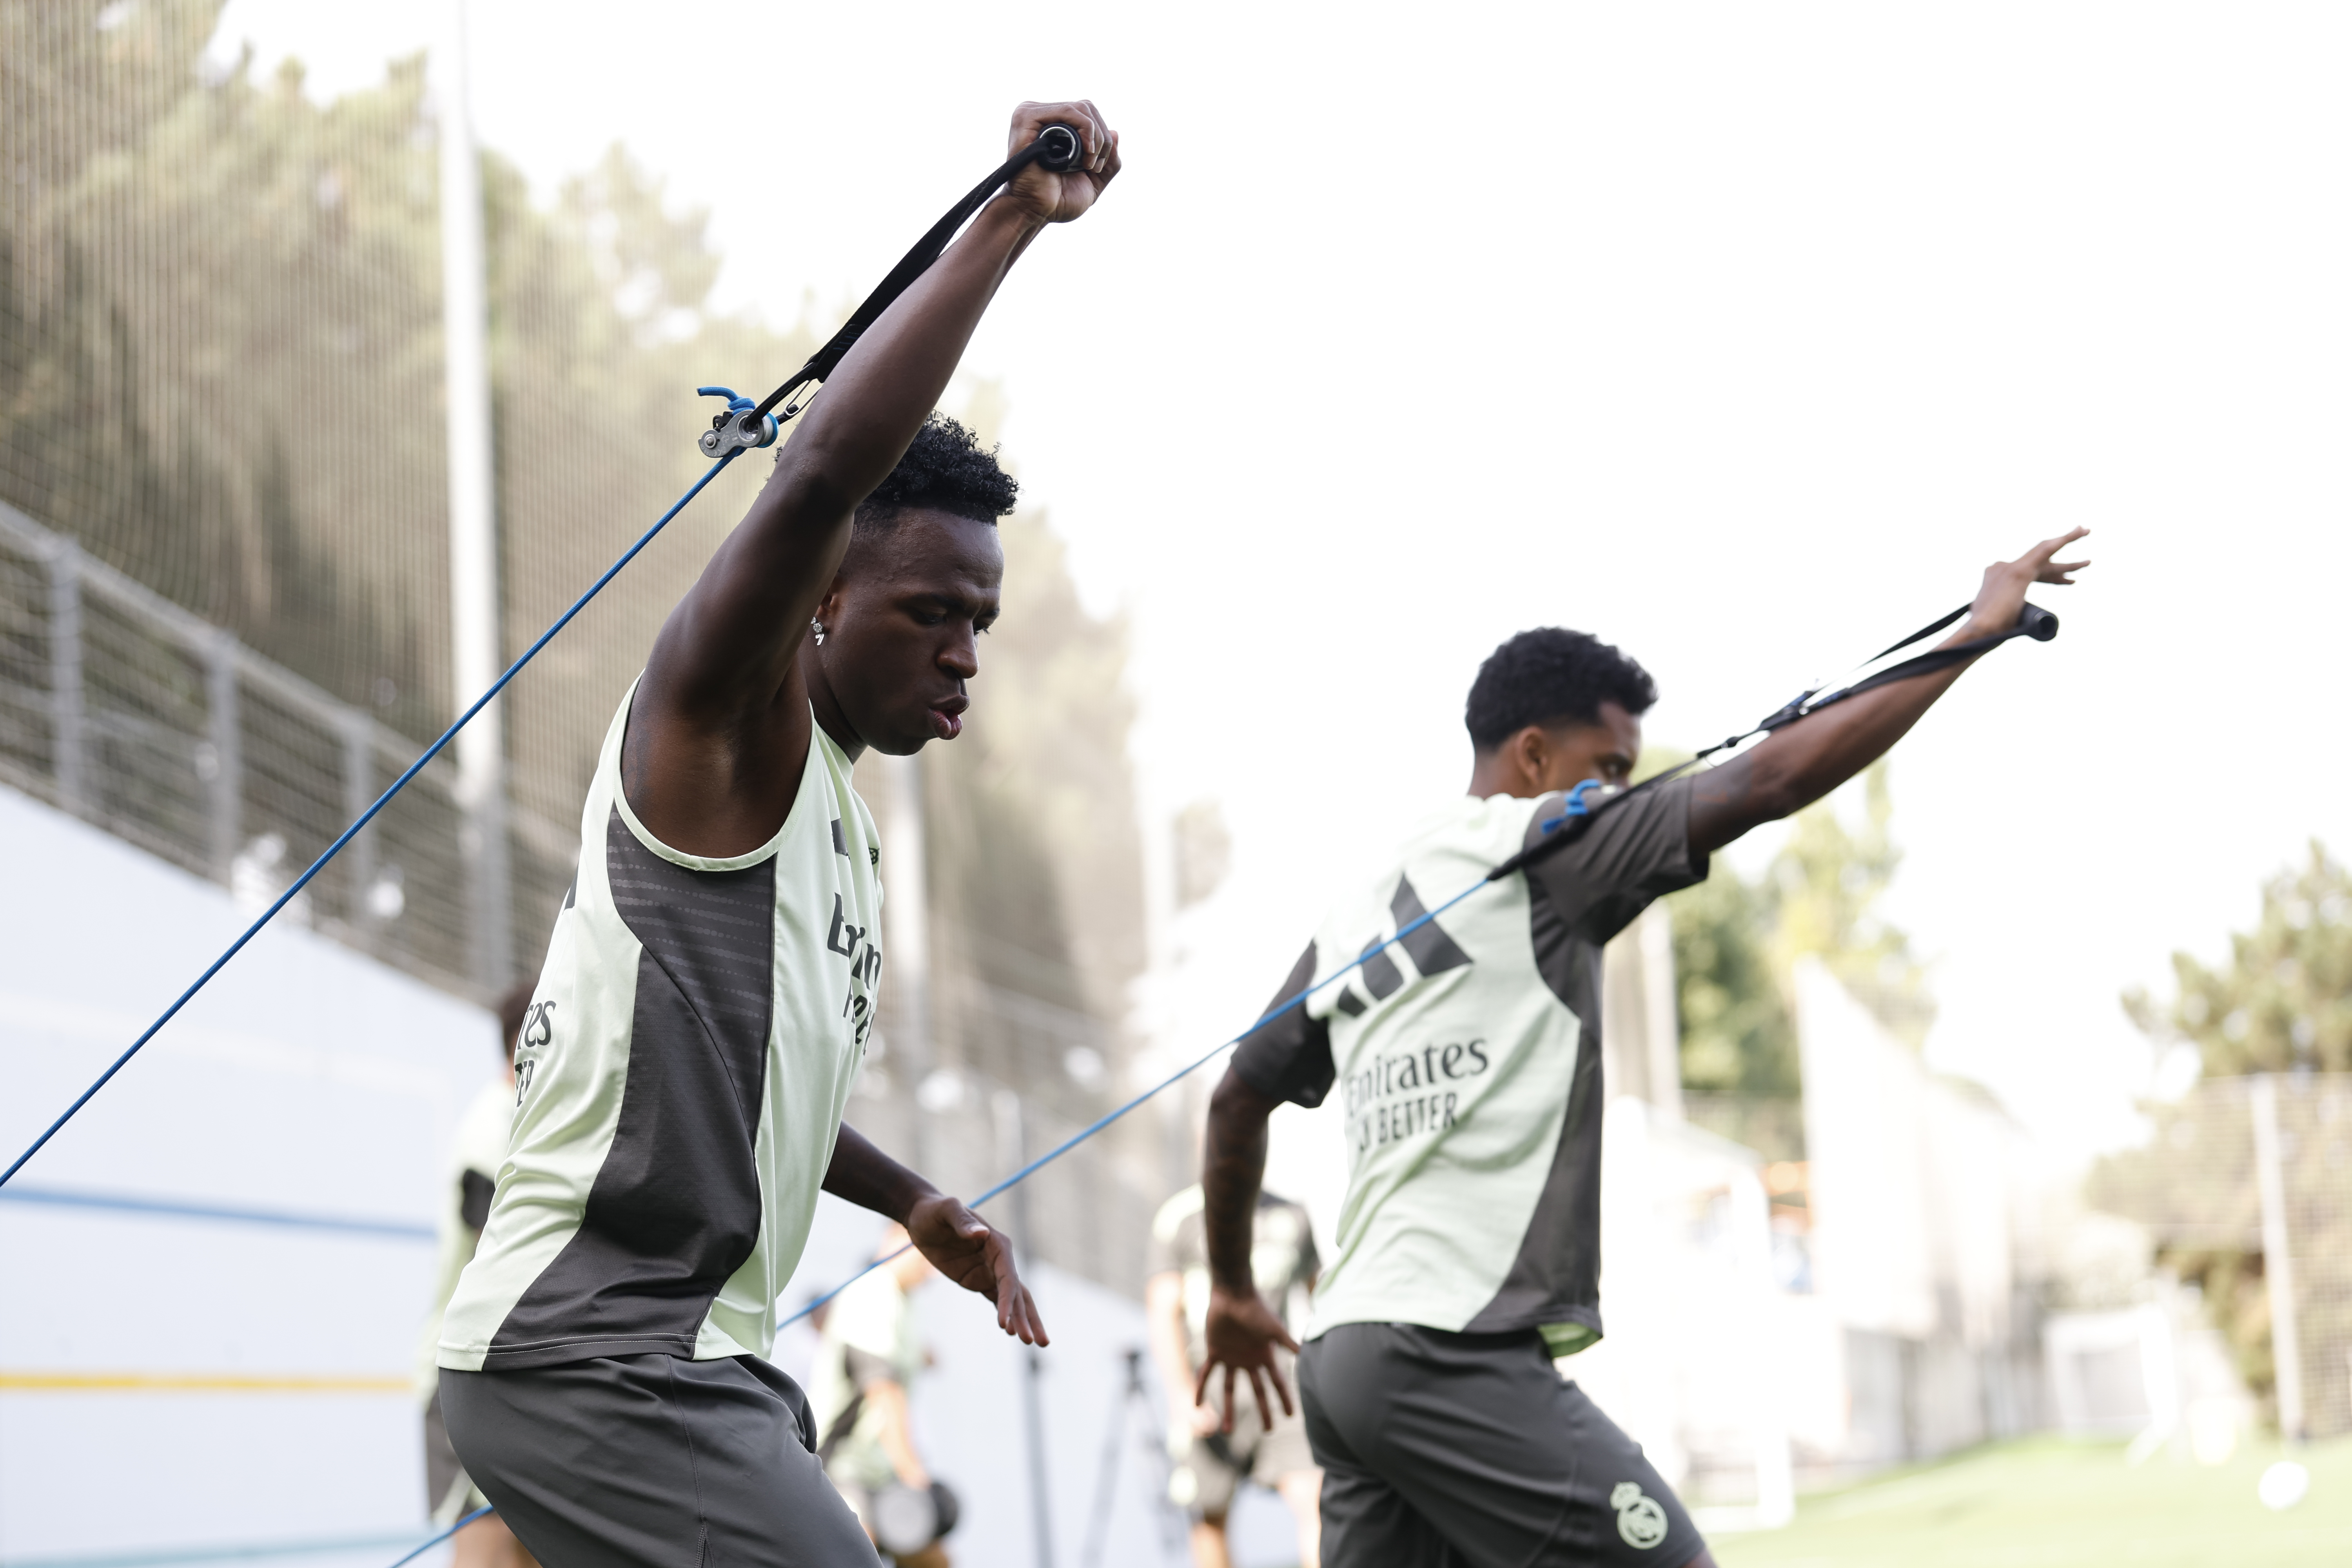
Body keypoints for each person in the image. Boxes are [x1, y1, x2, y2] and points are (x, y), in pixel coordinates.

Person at [434, 100, 1119, 1568]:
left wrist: (914, 1196)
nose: (963, 653)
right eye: (928, 611)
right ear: (819, 598)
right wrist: (1008, 219)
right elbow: (817, 480)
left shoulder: (837, 828)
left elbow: (761, 1093)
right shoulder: (723, 731)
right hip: (593, 1354)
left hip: (688, 1357)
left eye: (980, 622)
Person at [1193, 532, 2092, 1567]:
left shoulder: (1361, 905)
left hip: (1347, 1362)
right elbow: (1771, 780)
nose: (1622, 790)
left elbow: (1234, 1101)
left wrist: (1229, 1290)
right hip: (1448, 1355)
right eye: (1610, 767)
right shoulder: (1548, 851)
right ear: (1533, 758)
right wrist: (1971, 639)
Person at [415, 982, 541, 1568]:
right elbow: (500, 1237)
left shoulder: (534, 1122)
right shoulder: (494, 1124)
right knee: (486, 1539)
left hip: (525, 1377)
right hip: (471, 1371)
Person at [1147, 1183, 1322, 1568]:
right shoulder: (1182, 1215)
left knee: (1315, 1499)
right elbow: (1163, 1309)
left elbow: (1319, 1295)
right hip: (1210, 1381)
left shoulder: (1293, 1214)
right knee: (1209, 1517)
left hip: (1281, 1383)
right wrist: (1181, 1393)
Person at [808, 1227, 954, 1566]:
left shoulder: (902, 1301)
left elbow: (913, 1357)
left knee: (933, 1561)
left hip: (879, 1474)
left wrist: (924, 1356)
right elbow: (883, 1393)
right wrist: (914, 1475)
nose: (930, 1271)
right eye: (926, 1257)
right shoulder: (871, 1294)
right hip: (837, 1468)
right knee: (859, 1553)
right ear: (896, 1241)